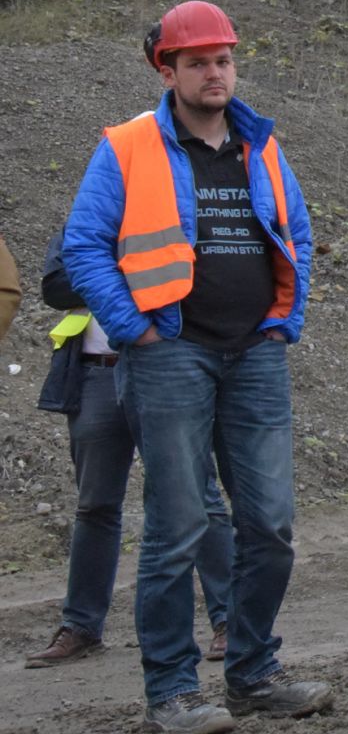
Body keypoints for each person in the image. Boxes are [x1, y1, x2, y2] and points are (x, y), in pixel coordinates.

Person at [62, 0, 329, 731]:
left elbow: (299, 233)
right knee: (176, 528)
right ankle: (172, 693)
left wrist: (284, 321)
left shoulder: (261, 145)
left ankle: (252, 672)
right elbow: (83, 245)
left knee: (270, 526)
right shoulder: (127, 146)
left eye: (224, 60)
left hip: (255, 355)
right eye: (198, 62)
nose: (216, 73)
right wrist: (135, 329)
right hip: (170, 354)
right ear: (168, 71)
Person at [29, 235, 234, 671]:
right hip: (95, 374)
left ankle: (230, 620)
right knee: (94, 505)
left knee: (197, 494)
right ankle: (81, 626)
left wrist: (102, 273)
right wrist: (128, 270)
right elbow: (55, 289)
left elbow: (196, 280)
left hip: (165, 367)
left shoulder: (175, 212)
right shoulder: (86, 218)